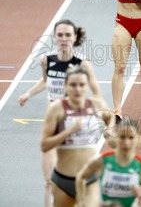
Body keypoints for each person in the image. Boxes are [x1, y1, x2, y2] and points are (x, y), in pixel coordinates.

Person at [18, 19, 102, 207]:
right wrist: (28, 94)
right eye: (60, 35)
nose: (64, 39)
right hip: (53, 124)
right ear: (55, 37)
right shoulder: (46, 60)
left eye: (68, 35)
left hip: (76, 128)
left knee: (79, 182)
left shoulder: (82, 64)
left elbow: (97, 94)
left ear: (75, 37)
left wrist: (88, 112)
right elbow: (45, 82)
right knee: (49, 181)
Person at [41, 66, 115, 207]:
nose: (78, 89)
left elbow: (110, 116)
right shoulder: (56, 108)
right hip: (63, 180)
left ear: (88, 86)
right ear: (65, 86)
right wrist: (69, 132)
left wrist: (110, 129)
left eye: (82, 85)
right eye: (73, 85)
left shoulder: (96, 104)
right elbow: (44, 145)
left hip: (90, 179)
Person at [76, 118, 141, 207]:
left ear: (139, 138)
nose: (126, 143)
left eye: (131, 137)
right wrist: (81, 200)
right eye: (122, 137)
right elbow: (81, 177)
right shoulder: (101, 160)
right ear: (116, 136)